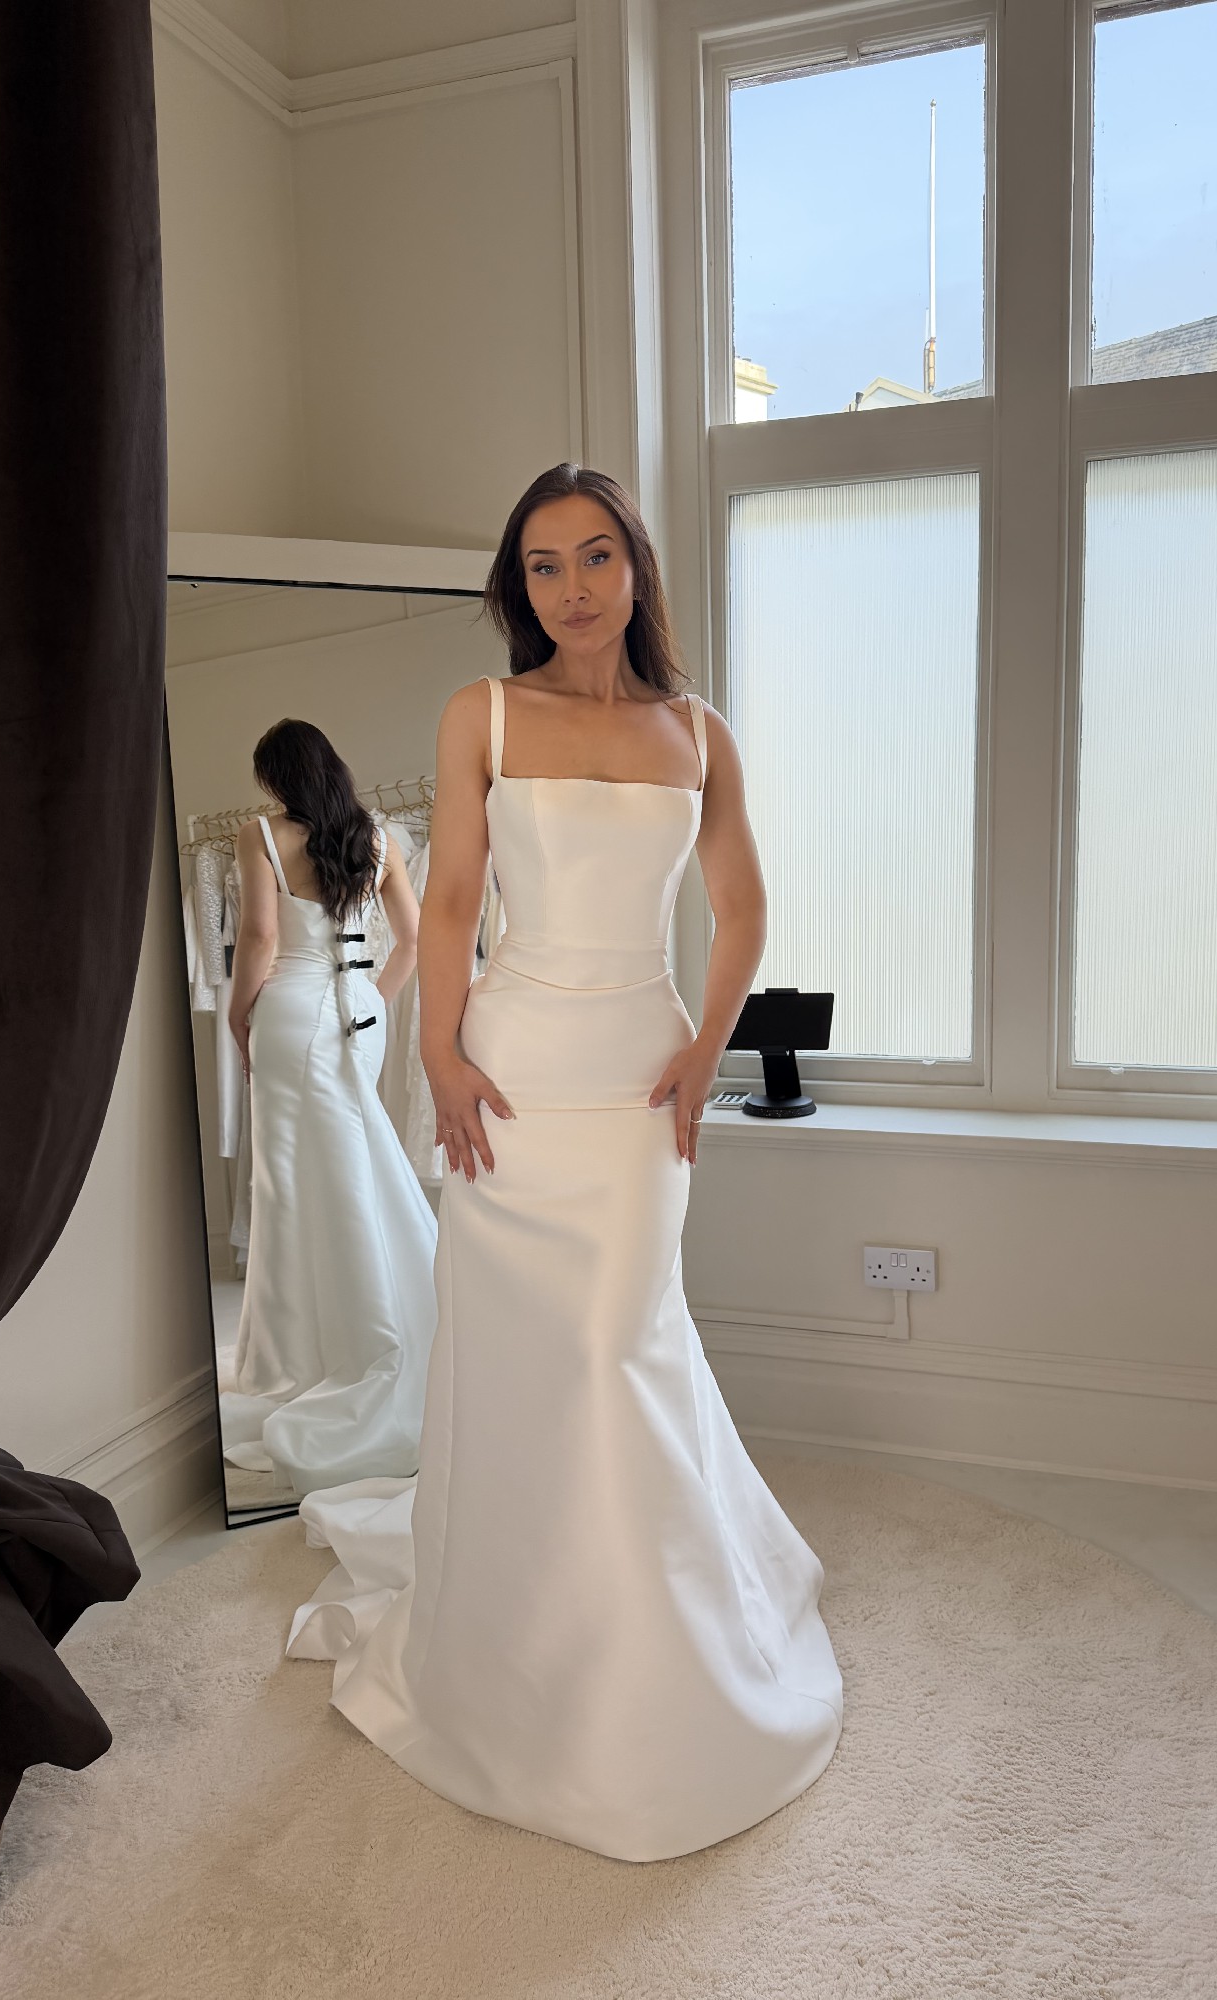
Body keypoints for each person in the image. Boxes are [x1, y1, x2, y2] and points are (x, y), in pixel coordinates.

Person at [285, 464, 843, 1863]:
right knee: (530, 1353)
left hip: (638, 1078)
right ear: (517, 585)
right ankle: (524, 1629)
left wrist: (707, 1048)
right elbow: (452, 902)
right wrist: (438, 1052)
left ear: (635, 569)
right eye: (544, 565)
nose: (574, 587)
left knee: (619, 1342)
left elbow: (741, 907)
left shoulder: (698, 732)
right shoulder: (481, 713)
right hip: (516, 1075)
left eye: (597, 556)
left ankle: (653, 1648)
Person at [219, 719, 439, 1500]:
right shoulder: (378, 838)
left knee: (289, 1184)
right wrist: (374, 997)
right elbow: (413, 940)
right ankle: (379, 1325)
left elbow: (258, 937)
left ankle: (306, 1354)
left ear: (277, 778)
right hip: (358, 1012)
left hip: (291, 1008)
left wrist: (238, 1016)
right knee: (355, 1167)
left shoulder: (259, 835)